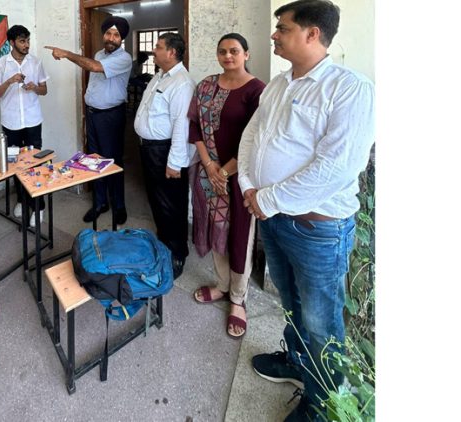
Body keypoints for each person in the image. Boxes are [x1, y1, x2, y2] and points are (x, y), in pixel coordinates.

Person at [237, 1, 375, 420]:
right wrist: (248, 185)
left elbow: (337, 167)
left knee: (321, 321)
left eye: (283, 27)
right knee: (292, 304)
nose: (275, 34)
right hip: (273, 219)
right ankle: (297, 362)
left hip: (318, 229)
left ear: (313, 34)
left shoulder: (349, 88)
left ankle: (323, 405)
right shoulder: (279, 85)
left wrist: (267, 198)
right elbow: (251, 136)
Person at [188, 33, 265, 339]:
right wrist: (209, 166)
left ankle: (238, 297)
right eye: (222, 51)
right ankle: (221, 285)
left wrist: (226, 171)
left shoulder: (258, 91)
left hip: (240, 178)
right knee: (215, 227)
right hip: (210, 174)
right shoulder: (206, 85)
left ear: (246, 54)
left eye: (234, 51)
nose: (228, 56)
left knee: (239, 235)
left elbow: (257, 138)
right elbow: (194, 125)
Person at [45, 16, 132, 225]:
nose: (111, 38)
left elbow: (94, 67)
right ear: (104, 34)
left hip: (111, 116)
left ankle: (118, 205)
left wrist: (66, 54)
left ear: (121, 39)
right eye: (108, 33)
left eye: (116, 35)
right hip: (93, 114)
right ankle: (100, 203)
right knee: (94, 160)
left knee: (113, 161)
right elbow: (95, 68)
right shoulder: (99, 54)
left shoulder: (124, 58)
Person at [133, 33, 195, 279]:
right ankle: (163, 245)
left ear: (172, 52)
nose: (154, 51)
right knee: (158, 201)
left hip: (165, 151)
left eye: (158, 47)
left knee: (172, 205)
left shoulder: (181, 82)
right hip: (149, 149)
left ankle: (177, 254)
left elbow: (182, 125)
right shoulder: (160, 76)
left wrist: (174, 163)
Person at [0, 24, 49, 227]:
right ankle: (23, 200)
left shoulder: (36, 62)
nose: (27, 45)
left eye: (28, 40)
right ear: (12, 42)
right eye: (22, 41)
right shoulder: (0, 65)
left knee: (35, 163)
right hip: (11, 122)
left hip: (33, 121)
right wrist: (9, 81)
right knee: (15, 163)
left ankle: (38, 207)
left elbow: (44, 91)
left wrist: (34, 87)